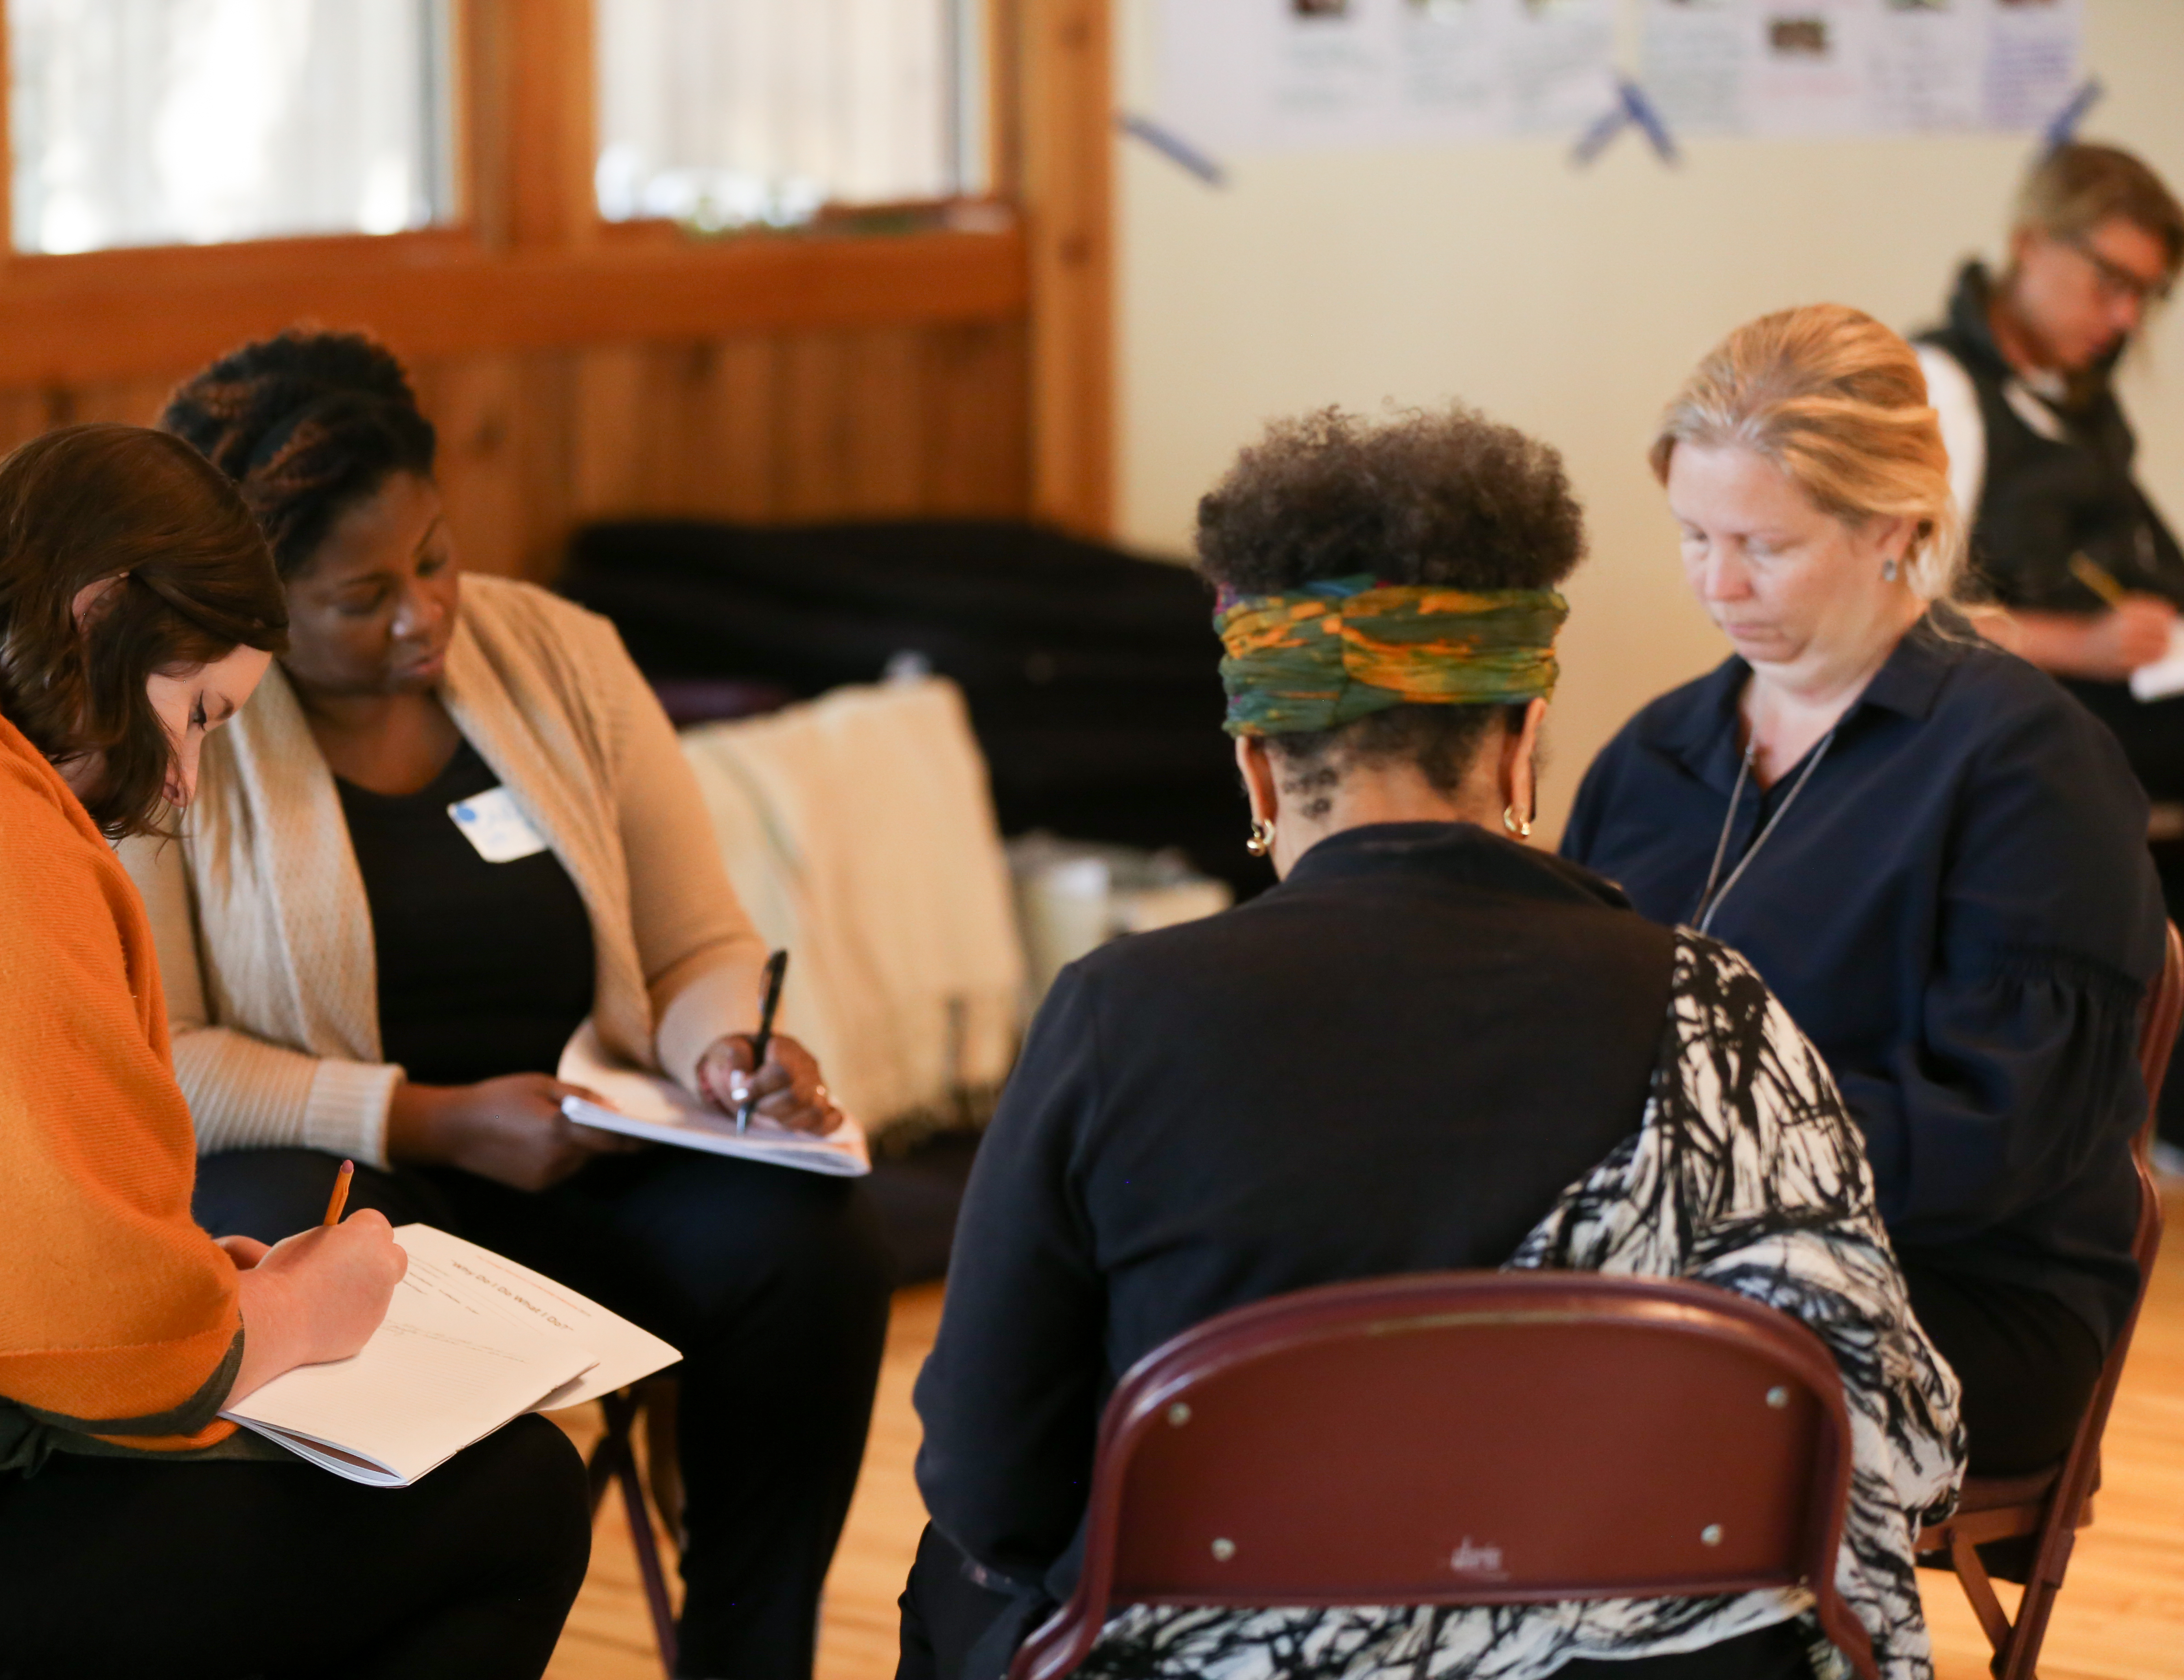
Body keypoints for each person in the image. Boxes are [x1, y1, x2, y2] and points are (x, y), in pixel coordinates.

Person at [901, 405, 1962, 1680]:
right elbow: (1902, 1439)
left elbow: (987, 1477)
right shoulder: (1718, 1017)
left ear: (1254, 768)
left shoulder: (1114, 1016)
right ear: (1521, 746)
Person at [0, 425, 592, 1680]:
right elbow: (165, 1372)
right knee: (517, 1494)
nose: (189, 783)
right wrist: (310, 1305)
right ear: (101, 617)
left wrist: (185, 1272)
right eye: (200, 714)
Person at [128, 329, 893, 1680]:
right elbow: (164, 1059)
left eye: (435, 556)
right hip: (355, 1187)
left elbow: (694, 942)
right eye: (363, 595)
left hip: (595, 1153)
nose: (424, 611)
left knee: (807, 1247)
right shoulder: (184, 723)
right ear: (258, 600)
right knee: (325, 1244)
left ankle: (748, 1651)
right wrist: (427, 1120)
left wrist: (725, 1051)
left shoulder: (561, 655)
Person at [1567, 305, 2165, 1488]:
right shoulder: (1654, 757)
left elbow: (1999, 1144)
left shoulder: (2021, 764)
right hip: (1685, 1259)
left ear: (1896, 529)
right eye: (1694, 535)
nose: (1718, 584)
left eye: (1766, 547)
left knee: (1584, 1387)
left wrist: (1694, 1171)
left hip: (1968, 1299)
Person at [1911, 141, 2184, 1156]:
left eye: (2144, 297)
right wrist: (2088, 641)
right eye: (2111, 282)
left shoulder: (2085, 401)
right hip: (2029, 712)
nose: (2123, 320)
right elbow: (1900, 619)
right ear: (2030, 245)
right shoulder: (1941, 387)